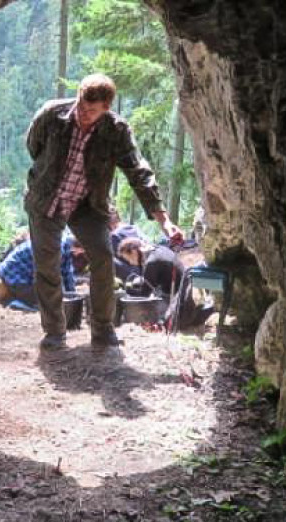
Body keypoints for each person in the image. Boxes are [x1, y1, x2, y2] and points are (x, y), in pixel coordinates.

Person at [24, 73, 183, 349]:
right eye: (81, 106)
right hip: (45, 200)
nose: (83, 114)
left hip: (89, 204)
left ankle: (102, 329)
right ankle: (54, 332)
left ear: (106, 108)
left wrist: (164, 221)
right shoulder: (52, 114)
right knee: (47, 266)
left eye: (91, 111)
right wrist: (46, 177)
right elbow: (33, 146)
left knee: (103, 258)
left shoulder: (117, 131)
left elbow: (139, 174)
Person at [0, 235, 78, 310]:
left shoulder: (66, 248)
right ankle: (17, 304)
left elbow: (67, 275)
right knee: (48, 305)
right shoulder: (57, 246)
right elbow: (51, 277)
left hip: (23, 275)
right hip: (14, 276)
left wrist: (73, 297)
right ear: (78, 250)